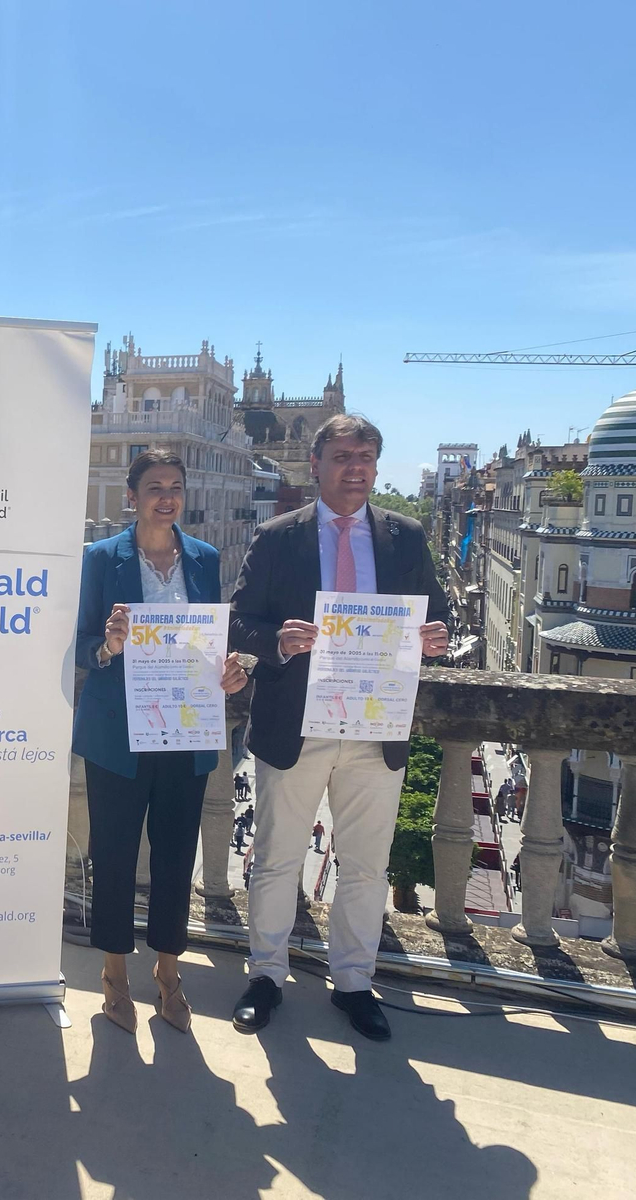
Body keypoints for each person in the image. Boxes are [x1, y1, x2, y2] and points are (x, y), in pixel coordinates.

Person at [227, 414, 450, 1042]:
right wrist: (276, 640)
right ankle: (265, 976)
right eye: (344, 456)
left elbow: (437, 614)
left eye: (367, 457)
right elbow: (239, 623)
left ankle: (354, 983)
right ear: (317, 462)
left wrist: (436, 637)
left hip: (375, 728)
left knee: (365, 866)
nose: (357, 468)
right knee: (275, 860)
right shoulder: (276, 537)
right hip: (295, 726)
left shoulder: (405, 536)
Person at [72, 449, 249, 1035]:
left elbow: (213, 641)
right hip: (118, 736)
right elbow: (76, 647)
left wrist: (231, 669)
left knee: (175, 859)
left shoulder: (204, 557)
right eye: (154, 487)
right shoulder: (101, 559)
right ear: (133, 496)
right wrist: (108, 647)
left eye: (175, 486)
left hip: (185, 731)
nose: (165, 497)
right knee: (116, 857)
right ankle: (115, 974)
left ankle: (169, 973)